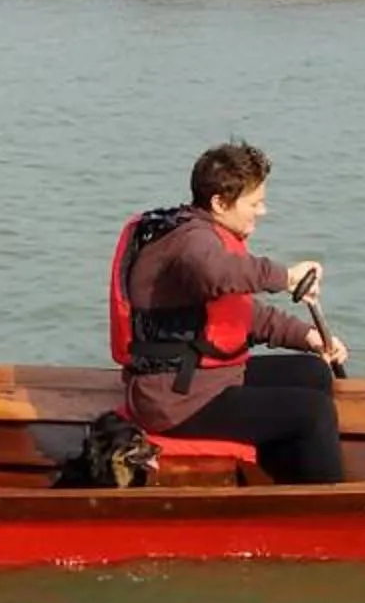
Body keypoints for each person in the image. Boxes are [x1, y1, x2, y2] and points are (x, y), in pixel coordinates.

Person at [109, 140, 350, 484]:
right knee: (313, 412)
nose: (262, 211)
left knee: (313, 372)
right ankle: (329, 507)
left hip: (203, 380)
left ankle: (287, 480)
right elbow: (217, 273)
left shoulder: (201, 231)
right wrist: (286, 276)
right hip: (177, 400)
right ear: (220, 203)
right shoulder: (192, 242)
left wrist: (308, 337)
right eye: (255, 203)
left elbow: (238, 314)